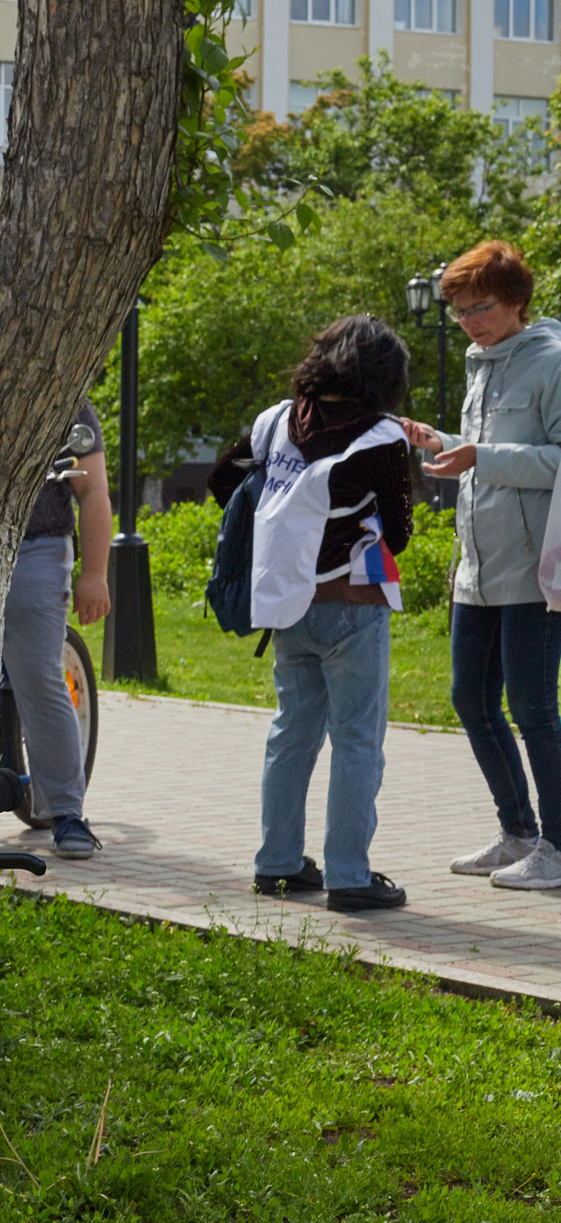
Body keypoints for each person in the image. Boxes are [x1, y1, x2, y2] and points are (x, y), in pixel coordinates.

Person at [211, 316, 414, 912]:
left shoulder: (276, 420)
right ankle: (349, 877)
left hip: (284, 603)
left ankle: (278, 865)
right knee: (357, 740)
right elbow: (399, 533)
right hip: (352, 603)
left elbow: (224, 482)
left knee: (292, 734)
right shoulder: (382, 436)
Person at [403, 239, 561, 890]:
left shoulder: (552, 360)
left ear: (518, 301)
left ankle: (557, 847)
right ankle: (517, 832)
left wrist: (481, 457)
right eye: (461, 311)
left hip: (535, 570)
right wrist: (443, 443)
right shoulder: (481, 363)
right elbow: (484, 450)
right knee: (470, 698)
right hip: (477, 570)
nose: (470, 322)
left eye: (482, 307)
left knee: (533, 706)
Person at [2, 398, 112, 859]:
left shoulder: (66, 399)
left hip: (38, 546)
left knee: (39, 676)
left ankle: (67, 813)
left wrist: (94, 575)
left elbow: (93, 490)